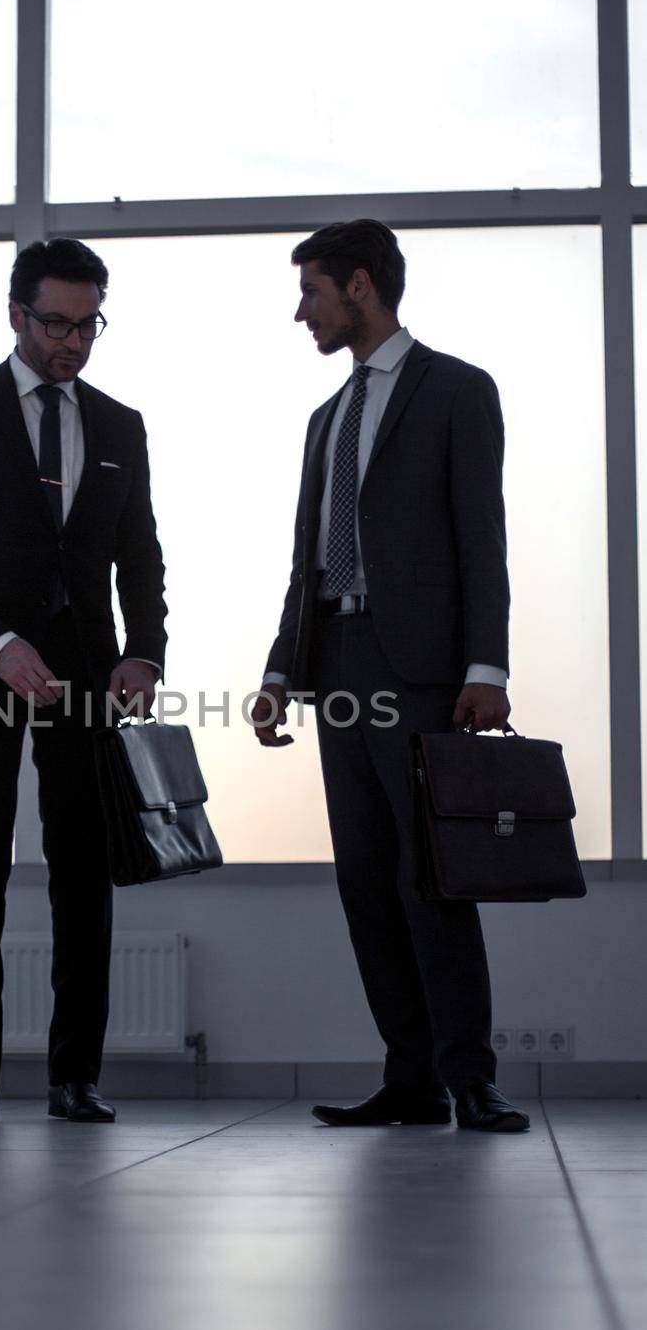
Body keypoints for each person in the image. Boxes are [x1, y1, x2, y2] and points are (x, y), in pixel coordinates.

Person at [251, 220, 528, 1133]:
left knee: (430, 880)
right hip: (336, 664)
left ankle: (470, 1077)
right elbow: (303, 561)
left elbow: (479, 538)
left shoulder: (456, 391)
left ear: (359, 286)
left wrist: (485, 665)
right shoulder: (324, 419)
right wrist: (279, 671)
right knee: (365, 881)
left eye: (311, 294)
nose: (302, 314)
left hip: (422, 671)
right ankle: (410, 1080)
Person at [0, 238, 167, 1126]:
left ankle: (74, 1077)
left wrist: (146, 650)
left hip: (89, 677)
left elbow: (140, 556)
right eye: (57, 323)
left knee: (83, 877)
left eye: (88, 325)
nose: (73, 343)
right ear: (17, 314)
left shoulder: (121, 423)